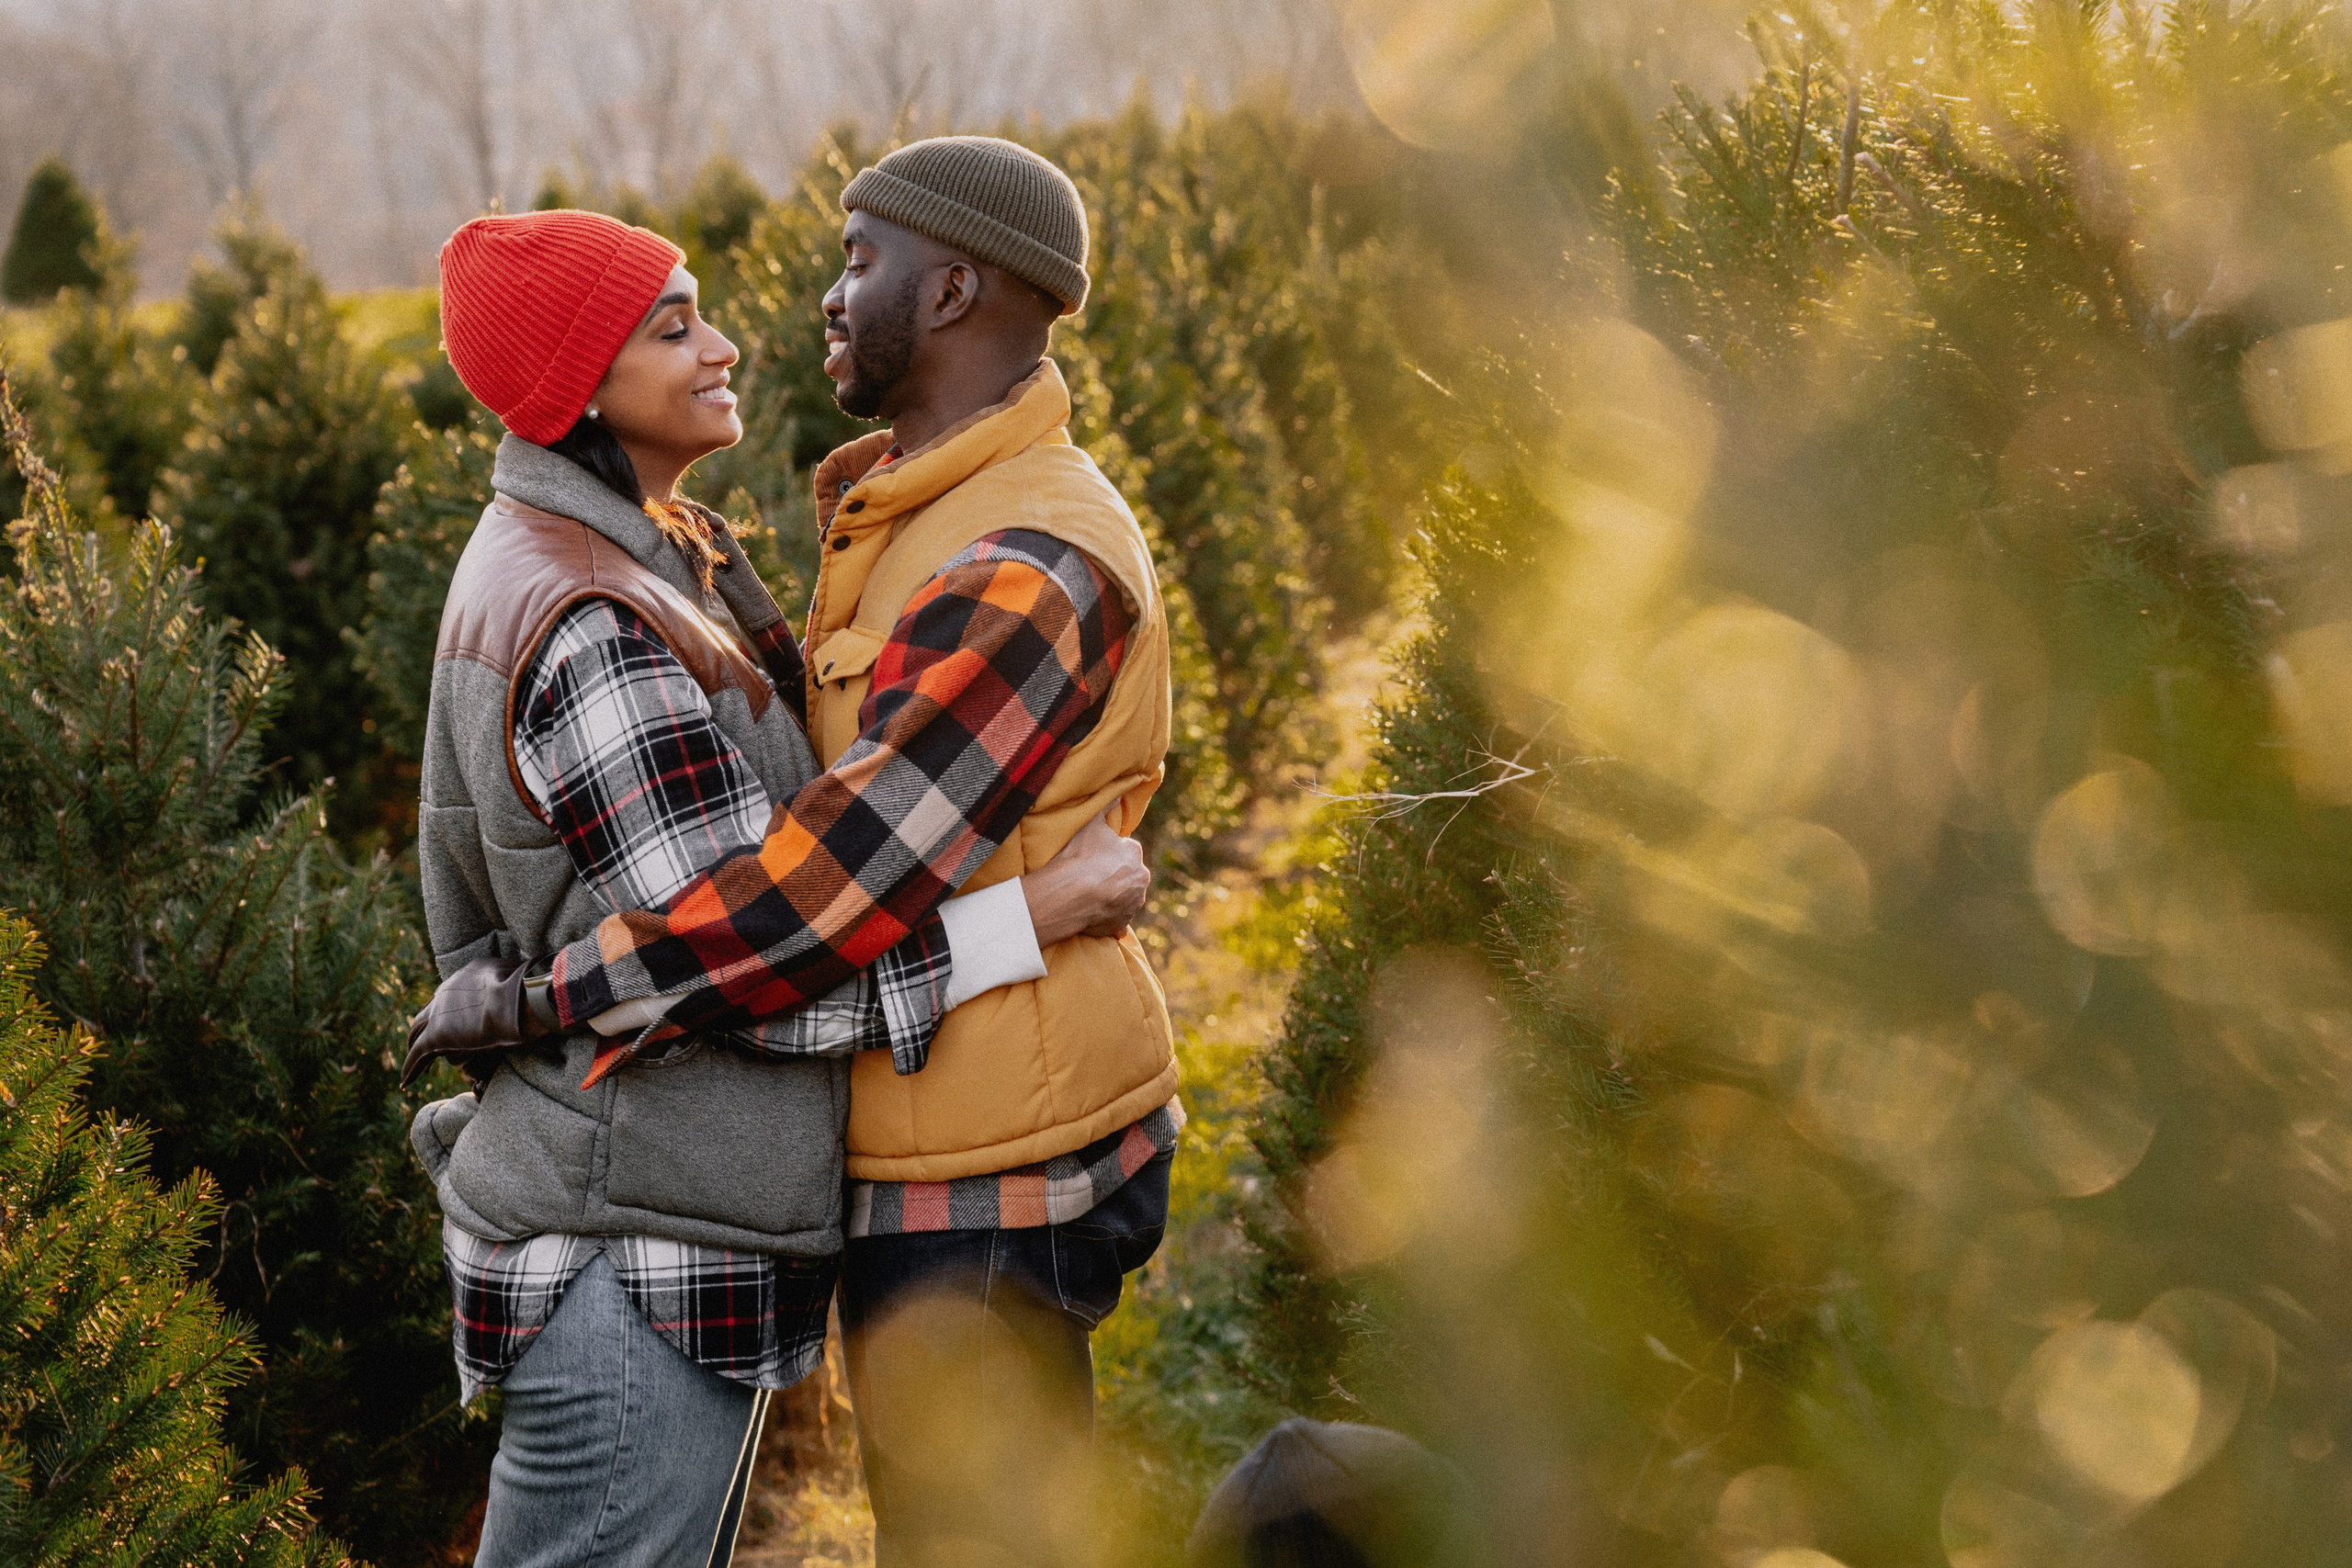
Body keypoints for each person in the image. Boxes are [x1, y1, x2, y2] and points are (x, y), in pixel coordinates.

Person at [414, 137, 1183, 1567]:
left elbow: (788, 911)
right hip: (687, 1205)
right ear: (584, 381)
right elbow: (776, 915)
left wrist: (543, 999)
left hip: (982, 1160)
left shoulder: (997, 549)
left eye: (856, 260)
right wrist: (1035, 909)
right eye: (674, 323)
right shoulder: (625, 597)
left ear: (953, 289)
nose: (770, 321)